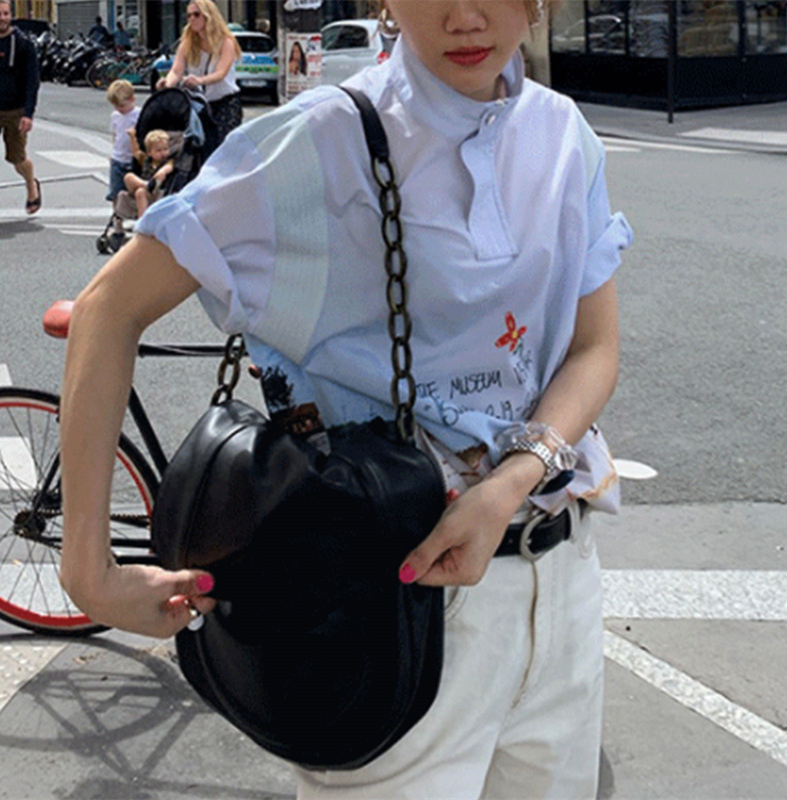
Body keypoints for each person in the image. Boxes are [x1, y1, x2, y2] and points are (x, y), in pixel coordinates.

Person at [59, 2, 633, 798]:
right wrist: (87, 569)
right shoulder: (320, 139)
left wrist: (511, 481)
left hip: (559, 578)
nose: (466, 15)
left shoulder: (563, 133)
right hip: (389, 593)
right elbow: (108, 308)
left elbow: (592, 347)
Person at [156, 0, 242, 146]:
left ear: (209, 16)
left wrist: (199, 80)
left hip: (225, 102)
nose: (192, 19)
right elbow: (176, 71)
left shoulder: (226, 42)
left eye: (196, 14)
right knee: (199, 145)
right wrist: (167, 83)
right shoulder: (187, 42)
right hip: (200, 103)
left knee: (222, 146)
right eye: (189, 15)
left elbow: (221, 73)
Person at [0, 0, 41, 223]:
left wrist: (28, 114)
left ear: (10, 15)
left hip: (16, 110)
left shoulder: (23, 44)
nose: (2, 18)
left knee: (17, 160)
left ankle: (31, 184)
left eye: (5, 14)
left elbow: (32, 81)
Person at [108, 129, 174, 251]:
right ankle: (146, 184)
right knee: (128, 176)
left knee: (140, 192)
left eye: (165, 149)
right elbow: (135, 151)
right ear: (149, 152)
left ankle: (143, 223)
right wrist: (132, 137)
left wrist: (162, 171)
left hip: (157, 192)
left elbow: (170, 166)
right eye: (158, 150)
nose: (163, 153)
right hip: (145, 186)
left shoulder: (168, 161)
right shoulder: (146, 160)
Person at [105, 79, 140, 215]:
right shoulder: (115, 116)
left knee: (132, 192)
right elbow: (115, 135)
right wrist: (113, 151)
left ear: (132, 99)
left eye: (122, 105)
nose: (119, 109)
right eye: (115, 106)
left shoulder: (138, 114)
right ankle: (116, 218)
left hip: (132, 158)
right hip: (118, 158)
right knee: (115, 192)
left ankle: (132, 214)